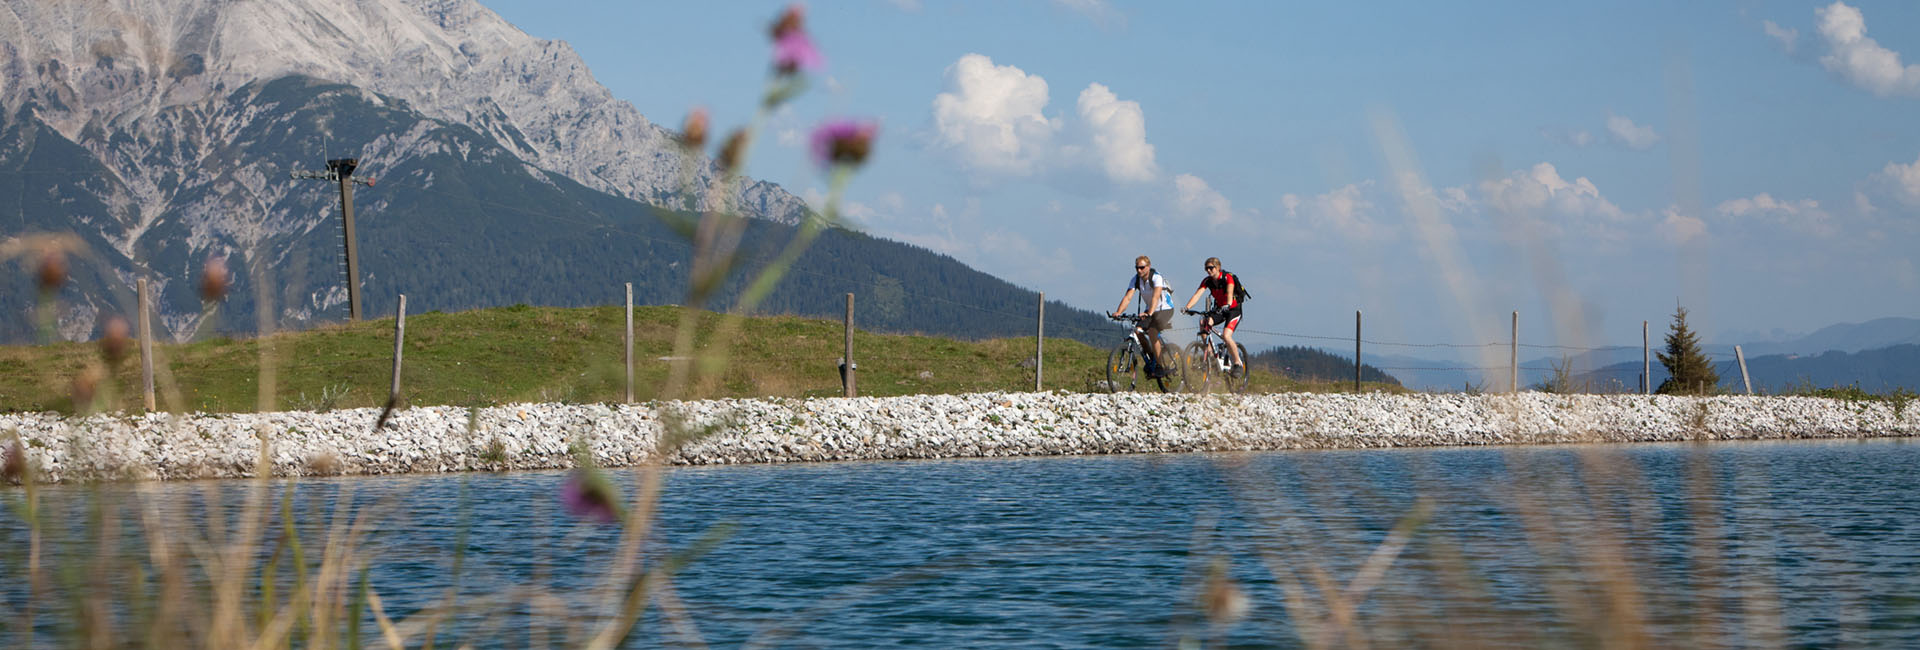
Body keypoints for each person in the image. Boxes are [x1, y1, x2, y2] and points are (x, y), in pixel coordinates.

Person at [1111, 255, 1176, 377]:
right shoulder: (1135, 279)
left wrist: (1149, 313)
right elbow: (1128, 297)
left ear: (1148, 266)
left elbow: (1156, 297)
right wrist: (1118, 312)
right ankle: (1152, 358)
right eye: (1137, 268)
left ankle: (1160, 366)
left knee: (1152, 331)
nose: (1139, 270)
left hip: (1165, 309)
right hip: (1149, 311)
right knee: (1137, 331)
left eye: (1142, 267)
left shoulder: (1156, 277)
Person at [1182, 257, 1245, 373]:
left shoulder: (1227, 277)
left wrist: (1228, 304)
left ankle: (1237, 363)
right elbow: (1198, 294)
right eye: (1206, 268)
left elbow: (1230, 291)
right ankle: (1210, 355)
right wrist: (1187, 308)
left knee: (1226, 336)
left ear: (1218, 268)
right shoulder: (1207, 281)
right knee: (1203, 322)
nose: (1208, 271)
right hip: (1220, 309)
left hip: (1233, 310)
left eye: (1211, 268)